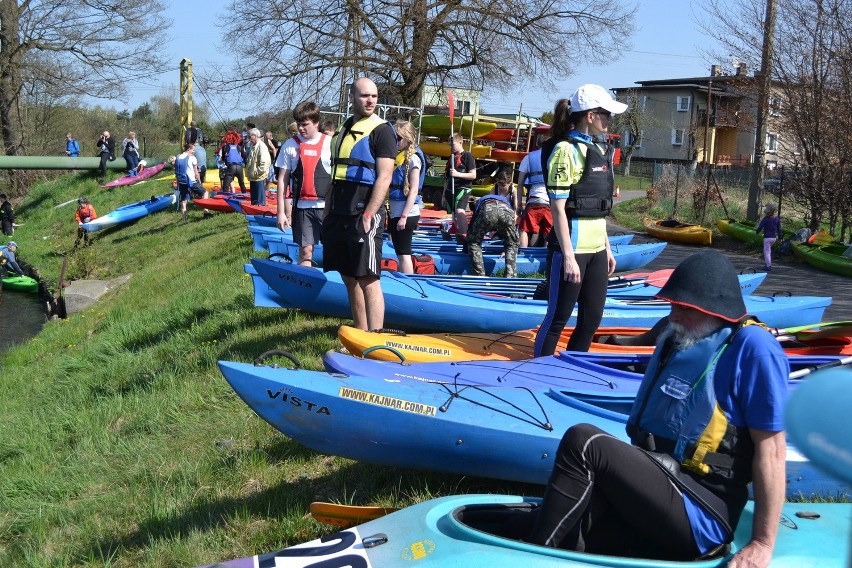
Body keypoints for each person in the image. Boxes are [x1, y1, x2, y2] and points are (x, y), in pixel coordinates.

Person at [527, 250, 787, 568]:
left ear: (716, 310)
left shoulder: (754, 349)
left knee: (585, 442)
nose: (673, 315)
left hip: (702, 512)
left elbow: (772, 450)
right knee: (556, 521)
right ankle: (543, 549)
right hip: (660, 488)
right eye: (673, 305)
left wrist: (762, 542)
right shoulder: (681, 338)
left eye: (683, 308)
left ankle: (532, 560)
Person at [533, 85, 625, 356]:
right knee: (558, 318)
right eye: (605, 113)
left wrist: (606, 248)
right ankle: (539, 371)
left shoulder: (595, 149)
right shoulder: (565, 150)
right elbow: (558, 208)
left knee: (591, 318)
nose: (609, 118)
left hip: (596, 249)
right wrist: (569, 256)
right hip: (571, 249)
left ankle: (572, 367)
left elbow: (597, 209)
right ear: (589, 116)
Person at [322, 77, 397, 330]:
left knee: (368, 277)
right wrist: (327, 211)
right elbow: (336, 176)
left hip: (364, 210)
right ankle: (360, 335)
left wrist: (369, 214)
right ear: (352, 97)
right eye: (365, 95)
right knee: (349, 277)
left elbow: (385, 176)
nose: (371, 100)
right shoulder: (344, 128)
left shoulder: (383, 130)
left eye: (374, 96)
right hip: (339, 209)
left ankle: (375, 341)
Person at [276, 101, 332, 266]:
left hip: (327, 208)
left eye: (305, 124)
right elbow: (282, 180)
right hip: (302, 208)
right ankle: (307, 283)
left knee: (333, 249)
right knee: (306, 250)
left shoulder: (330, 144)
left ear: (316, 123)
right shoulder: (290, 145)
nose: (301, 128)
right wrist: (280, 212)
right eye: (299, 124)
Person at [388, 120, 426, 274]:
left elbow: (414, 190)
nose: (395, 141)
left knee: (404, 253)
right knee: (399, 252)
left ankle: (408, 282)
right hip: (396, 211)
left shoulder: (413, 159)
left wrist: (403, 216)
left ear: (407, 138)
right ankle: (403, 278)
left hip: (407, 213)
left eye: (398, 138)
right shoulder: (399, 156)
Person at [466, 169, 520, 277]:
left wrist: (469, 237)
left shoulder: (480, 202)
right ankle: (510, 275)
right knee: (512, 243)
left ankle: (479, 274)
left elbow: (473, 224)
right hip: (506, 212)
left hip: (488, 211)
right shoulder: (493, 189)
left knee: (474, 242)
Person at [517, 139, 553, 247]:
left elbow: (520, 183)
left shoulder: (528, 157)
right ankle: (546, 255)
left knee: (523, 229)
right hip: (550, 202)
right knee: (549, 231)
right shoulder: (555, 157)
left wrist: (519, 205)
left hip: (534, 200)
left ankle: (522, 253)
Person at [442, 133, 477, 239]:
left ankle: (465, 234)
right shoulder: (451, 158)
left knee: (459, 211)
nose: (451, 147)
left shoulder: (467, 156)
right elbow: (447, 178)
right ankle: (455, 228)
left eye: (453, 144)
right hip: (450, 188)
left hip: (463, 188)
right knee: (453, 212)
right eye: (450, 145)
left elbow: (473, 175)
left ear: (460, 142)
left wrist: (457, 174)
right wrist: (444, 194)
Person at [174, 143, 207, 223]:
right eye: (193, 150)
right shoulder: (192, 158)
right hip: (191, 181)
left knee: (184, 201)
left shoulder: (178, 157)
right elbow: (196, 173)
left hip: (182, 182)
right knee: (205, 192)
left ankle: (184, 220)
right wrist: (199, 181)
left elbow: (176, 171)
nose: (193, 151)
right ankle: (206, 212)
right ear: (188, 149)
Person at [245, 128, 272, 205]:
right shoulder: (252, 146)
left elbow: (265, 162)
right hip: (253, 177)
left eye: (250, 136)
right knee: (254, 201)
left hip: (259, 177)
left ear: (255, 136)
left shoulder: (262, 146)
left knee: (260, 202)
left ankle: (260, 213)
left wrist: (257, 172)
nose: (249, 139)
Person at [219, 129, 247, 193]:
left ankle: (225, 197)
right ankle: (245, 195)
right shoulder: (239, 147)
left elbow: (223, 158)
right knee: (241, 184)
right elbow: (245, 156)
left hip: (231, 167)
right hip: (240, 167)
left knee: (226, 185)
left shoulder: (225, 147)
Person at [755, 203, 781, 271]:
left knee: (767, 251)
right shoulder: (777, 219)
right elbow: (779, 229)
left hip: (767, 238)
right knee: (768, 250)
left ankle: (768, 266)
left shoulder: (766, 219)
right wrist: (780, 237)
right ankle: (767, 263)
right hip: (774, 238)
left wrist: (757, 232)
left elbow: (760, 227)